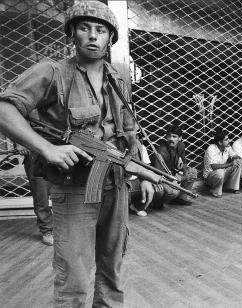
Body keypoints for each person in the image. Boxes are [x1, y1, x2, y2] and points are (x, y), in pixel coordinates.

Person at [0, 1, 160, 304]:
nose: (92, 36)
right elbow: (4, 109)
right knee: (74, 276)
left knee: (113, 270)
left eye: (100, 30)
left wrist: (146, 174)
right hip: (74, 189)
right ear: (72, 33)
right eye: (84, 28)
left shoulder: (118, 81)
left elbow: (130, 135)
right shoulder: (52, 72)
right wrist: (47, 148)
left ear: (110, 38)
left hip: (116, 185)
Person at [148, 124, 196, 208]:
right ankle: (157, 203)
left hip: (170, 174)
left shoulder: (181, 145)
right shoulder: (161, 152)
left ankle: (181, 198)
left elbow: (184, 162)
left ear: (180, 138)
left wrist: (186, 173)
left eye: (174, 137)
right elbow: (161, 176)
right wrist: (182, 178)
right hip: (157, 177)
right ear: (166, 137)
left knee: (192, 172)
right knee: (173, 192)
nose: (171, 139)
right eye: (169, 136)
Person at [21, 148, 53, 246]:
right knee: (41, 197)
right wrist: (19, 144)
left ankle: (68, 229)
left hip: (61, 149)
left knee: (67, 195)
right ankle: (47, 230)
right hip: (36, 154)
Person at [204, 129, 242, 197]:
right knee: (220, 172)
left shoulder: (227, 147)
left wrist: (236, 158)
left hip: (223, 173)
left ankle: (231, 187)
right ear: (220, 142)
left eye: (228, 139)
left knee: (238, 162)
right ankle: (215, 191)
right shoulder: (211, 148)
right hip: (211, 177)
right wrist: (230, 164)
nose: (229, 141)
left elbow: (235, 156)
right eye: (226, 140)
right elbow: (213, 166)